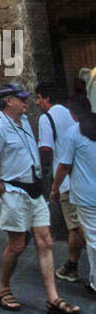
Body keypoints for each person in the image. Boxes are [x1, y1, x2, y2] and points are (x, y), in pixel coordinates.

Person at [0, 83, 80, 314]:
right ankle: (3, 289)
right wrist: (3, 193)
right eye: (22, 98)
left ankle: (53, 298)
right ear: (9, 102)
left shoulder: (24, 122)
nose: (27, 102)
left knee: (45, 242)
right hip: (14, 191)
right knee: (16, 245)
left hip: (34, 191)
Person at [35, 81, 85, 284]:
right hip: (83, 177)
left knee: (77, 226)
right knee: (76, 225)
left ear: (46, 98)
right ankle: (71, 266)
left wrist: (43, 174)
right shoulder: (70, 114)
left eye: (38, 98)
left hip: (65, 181)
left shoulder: (46, 118)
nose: (37, 103)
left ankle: (73, 267)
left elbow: (46, 149)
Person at [51, 97, 96, 296]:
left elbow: (64, 165)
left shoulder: (73, 134)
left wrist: (55, 188)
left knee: (93, 238)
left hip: (86, 195)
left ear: (73, 114)